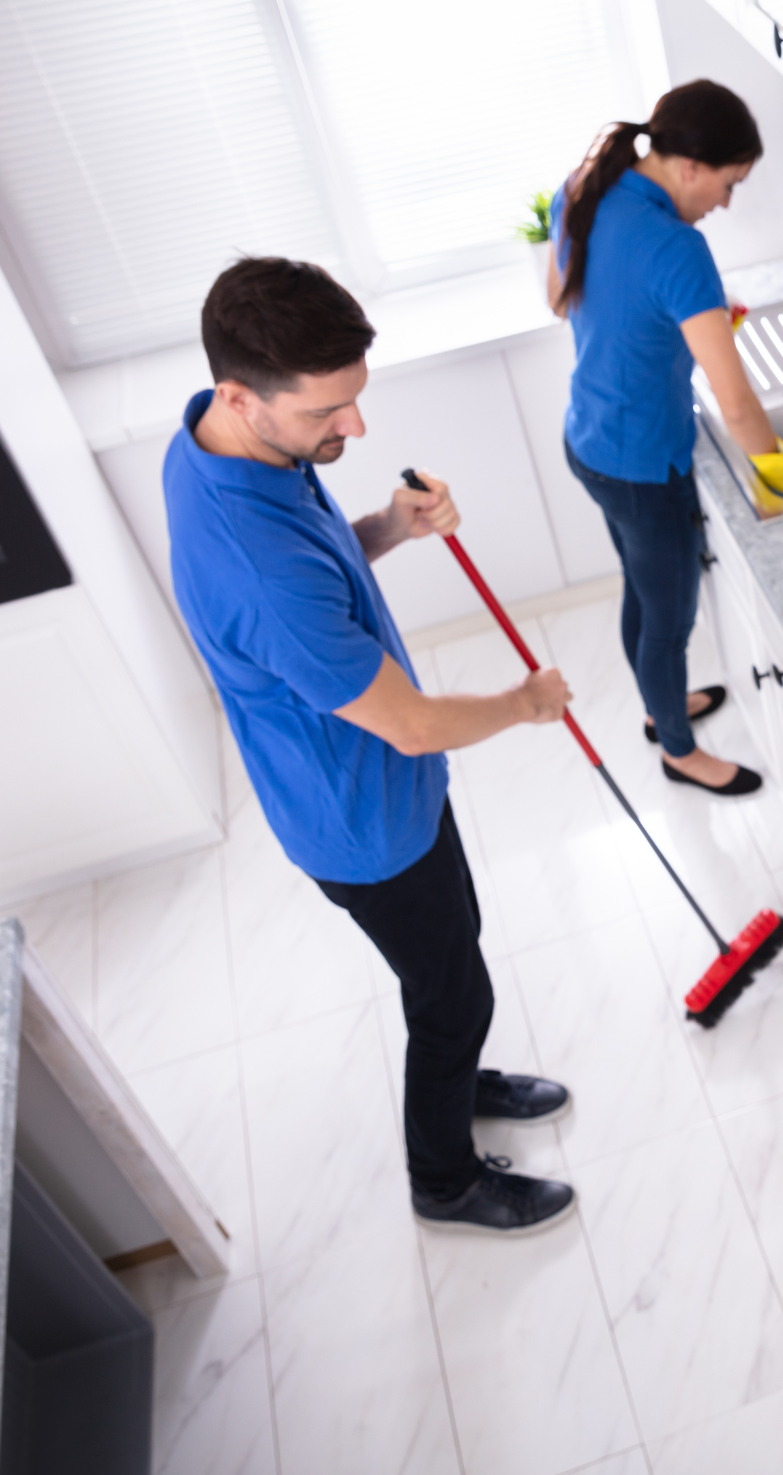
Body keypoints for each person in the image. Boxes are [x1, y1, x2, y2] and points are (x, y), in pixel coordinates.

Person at [165, 257, 578, 1236]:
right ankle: (444, 1183)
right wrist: (524, 701)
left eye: (354, 400)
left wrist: (389, 524)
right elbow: (412, 722)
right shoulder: (256, 566)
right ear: (241, 393)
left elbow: (322, 568)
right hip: (364, 823)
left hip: (380, 792)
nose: (355, 429)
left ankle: (464, 1074)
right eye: (330, 413)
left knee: (452, 959)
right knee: (450, 997)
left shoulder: (221, 443)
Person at [548, 79, 783, 797]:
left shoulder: (584, 189)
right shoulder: (678, 248)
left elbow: (561, 299)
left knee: (642, 595)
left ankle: (655, 705)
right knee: (668, 618)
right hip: (643, 463)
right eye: (730, 184)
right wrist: (779, 470)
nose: (727, 203)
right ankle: (678, 749)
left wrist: (680, 317)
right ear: (692, 166)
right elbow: (735, 402)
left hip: (588, 439)